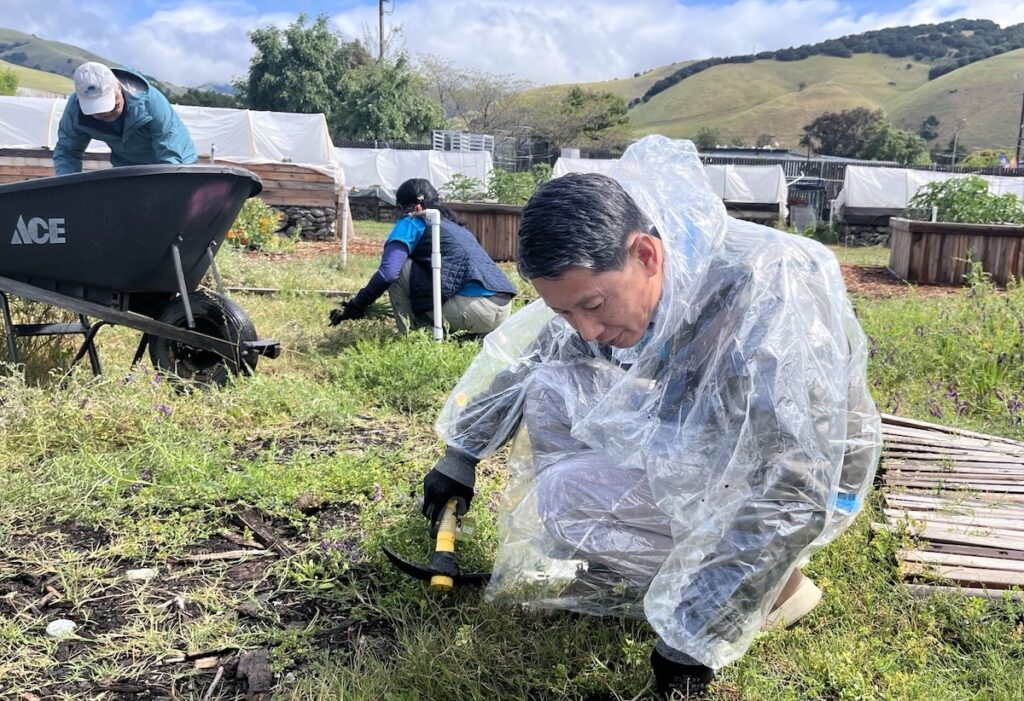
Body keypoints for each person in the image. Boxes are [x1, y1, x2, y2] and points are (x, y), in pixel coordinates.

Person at [419, 136, 881, 698]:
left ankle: (779, 588)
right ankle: (630, 565)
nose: (585, 329)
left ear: (645, 254)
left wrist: (696, 635)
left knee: (565, 496)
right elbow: (535, 355)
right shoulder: (640, 273)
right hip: (712, 441)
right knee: (549, 387)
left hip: (811, 484)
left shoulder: (770, 292)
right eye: (565, 311)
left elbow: (794, 482)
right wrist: (461, 455)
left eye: (591, 305)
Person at [329, 178, 517, 335]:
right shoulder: (453, 226)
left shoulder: (412, 221)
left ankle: (412, 335)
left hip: (474, 312)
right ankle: (465, 336)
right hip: (503, 312)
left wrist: (356, 305)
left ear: (401, 207)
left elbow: (387, 274)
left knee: (400, 266)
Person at [53, 62, 197, 176]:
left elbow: (169, 152)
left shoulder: (150, 102)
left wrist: (169, 186)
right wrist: (68, 188)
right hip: (128, 167)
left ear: (118, 88)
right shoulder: (74, 110)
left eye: (113, 105)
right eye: (97, 112)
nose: (106, 115)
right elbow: (67, 151)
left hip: (178, 163)